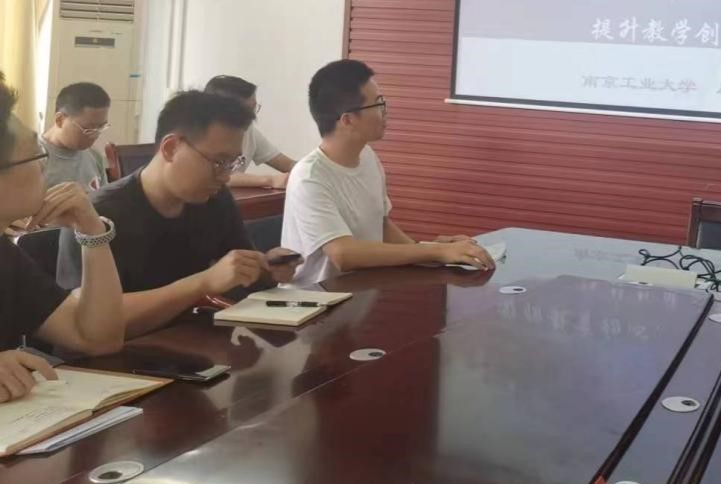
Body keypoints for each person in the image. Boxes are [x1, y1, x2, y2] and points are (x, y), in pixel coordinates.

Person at [57, 90, 300, 339]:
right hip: (120, 355)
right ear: (171, 148)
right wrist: (202, 283)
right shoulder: (96, 217)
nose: (226, 176)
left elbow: (237, 274)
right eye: (219, 162)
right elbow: (88, 324)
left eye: (232, 163)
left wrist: (266, 269)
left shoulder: (215, 200)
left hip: (195, 342)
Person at [282, 59, 494, 286]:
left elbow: (381, 227)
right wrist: (435, 252)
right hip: (315, 300)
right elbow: (343, 254)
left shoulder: (367, 157)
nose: (385, 111)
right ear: (348, 120)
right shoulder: (309, 177)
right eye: (378, 104)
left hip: (362, 291)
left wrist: (432, 252)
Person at [0, 72, 124, 402]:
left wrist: (92, 231)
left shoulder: (6, 257)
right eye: (37, 156)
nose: (46, 168)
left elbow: (98, 338)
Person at [204, 75, 294, 191]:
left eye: (254, 108)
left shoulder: (249, 131)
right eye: (246, 111)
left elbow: (286, 164)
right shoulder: (201, 135)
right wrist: (270, 180)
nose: (252, 117)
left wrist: (310, 169)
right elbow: (216, 177)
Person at [39, 81, 111, 192]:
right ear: (60, 120)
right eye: (88, 129)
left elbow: (104, 199)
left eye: (101, 127)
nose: (95, 135)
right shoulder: (33, 159)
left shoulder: (94, 156)